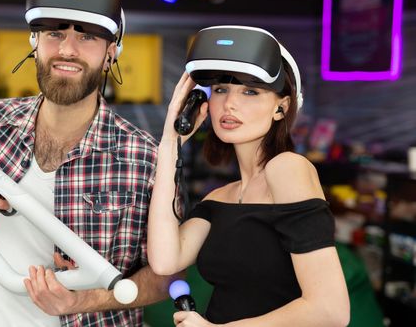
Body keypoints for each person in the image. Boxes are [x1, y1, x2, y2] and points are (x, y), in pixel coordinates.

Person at [0, 0, 177, 326]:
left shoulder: (143, 159)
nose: (68, 50)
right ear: (34, 41)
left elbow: (167, 278)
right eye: (54, 33)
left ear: (111, 52)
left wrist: (84, 300)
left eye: (87, 36)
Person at [147, 25, 350, 326]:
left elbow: (331, 310)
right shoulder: (220, 197)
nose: (229, 103)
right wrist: (169, 146)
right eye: (220, 89)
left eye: (250, 91)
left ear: (281, 108)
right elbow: (165, 260)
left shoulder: (287, 168)